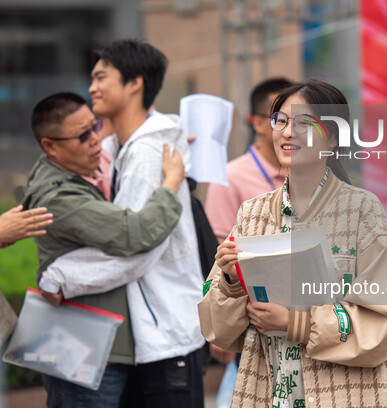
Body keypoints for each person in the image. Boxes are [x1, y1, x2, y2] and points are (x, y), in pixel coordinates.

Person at [198, 80, 387, 408]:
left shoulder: (362, 211)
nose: (287, 132)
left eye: (303, 123)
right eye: (281, 121)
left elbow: (383, 324)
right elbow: (219, 332)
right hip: (270, 392)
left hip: (346, 395)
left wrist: (295, 323)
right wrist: (229, 281)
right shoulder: (251, 213)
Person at [39, 39, 206, 408]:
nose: (91, 88)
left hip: (164, 340)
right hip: (154, 337)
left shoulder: (148, 154)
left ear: (135, 83)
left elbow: (136, 250)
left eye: (101, 77)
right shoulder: (133, 147)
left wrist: (59, 276)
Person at [21, 91, 186, 407]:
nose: (95, 140)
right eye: (82, 135)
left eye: (95, 127)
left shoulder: (65, 172)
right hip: (82, 353)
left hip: (88, 347)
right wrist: (171, 184)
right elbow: (135, 234)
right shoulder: (60, 198)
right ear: (50, 146)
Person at [205, 77, 291, 243]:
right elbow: (220, 248)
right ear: (258, 124)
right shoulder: (229, 178)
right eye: (281, 120)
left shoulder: (313, 174)